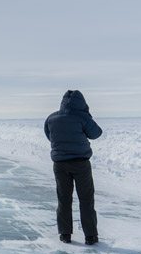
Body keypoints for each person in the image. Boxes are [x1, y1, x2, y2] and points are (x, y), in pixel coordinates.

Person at [44, 90, 103, 245]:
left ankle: (65, 234)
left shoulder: (51, 118)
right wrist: (87, 116)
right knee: (86, 199)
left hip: (60, 164)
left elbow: (49, 135)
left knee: (63, 198)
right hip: (80, 164)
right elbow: (96, 133)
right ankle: (90, 236)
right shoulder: (81, 117)